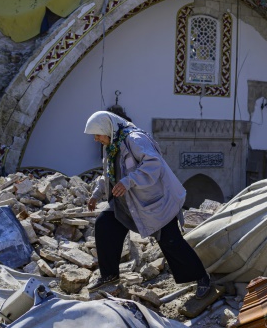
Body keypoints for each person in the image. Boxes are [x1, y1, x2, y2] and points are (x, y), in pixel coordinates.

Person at [83, 110, 211, 298]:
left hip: (155, 202)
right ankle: (109, 274)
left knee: (171, 241)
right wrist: (96, 194)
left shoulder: (134, 140)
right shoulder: (111, 144)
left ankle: (202, 278)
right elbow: (108, 172)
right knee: (105, 223)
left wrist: (128, 181)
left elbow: (153, 164)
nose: (96, 139)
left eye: (97, 134)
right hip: (126, 203)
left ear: (107, 129)